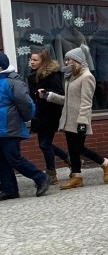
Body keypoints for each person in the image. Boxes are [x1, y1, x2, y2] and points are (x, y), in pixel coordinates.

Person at [44, 46, 108, 188]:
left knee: (79, 147)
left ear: (77, 61)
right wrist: (49, 96)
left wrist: (82, 122)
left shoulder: (87, 77)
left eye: (69, 60)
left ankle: (106, 163)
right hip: (69, 119)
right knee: (72, 149)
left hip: (79, 120)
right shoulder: (71, 77)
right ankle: (76, 176)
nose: (66, 62)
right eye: (66, 60)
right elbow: (68, 99)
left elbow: (86, 102)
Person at [0, 53, 50, 199]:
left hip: (9, 127)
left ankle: (41, 177)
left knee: (13, 158)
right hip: (3, 128)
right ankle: (9, 189)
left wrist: (26, 117)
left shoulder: (12, 82)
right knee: (1, 160)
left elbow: (26, 103)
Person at [28, 49, 70, 184]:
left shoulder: (52, 75)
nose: (32, 62)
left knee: (45, 144)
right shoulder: (33, 74)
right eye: (31, 59)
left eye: (35, 60)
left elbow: (60, 94)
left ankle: (51, 174)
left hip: (50, 114)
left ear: (44, 61)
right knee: (44, 144)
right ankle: (69, 160)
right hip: (39, 114)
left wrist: (46, 93)